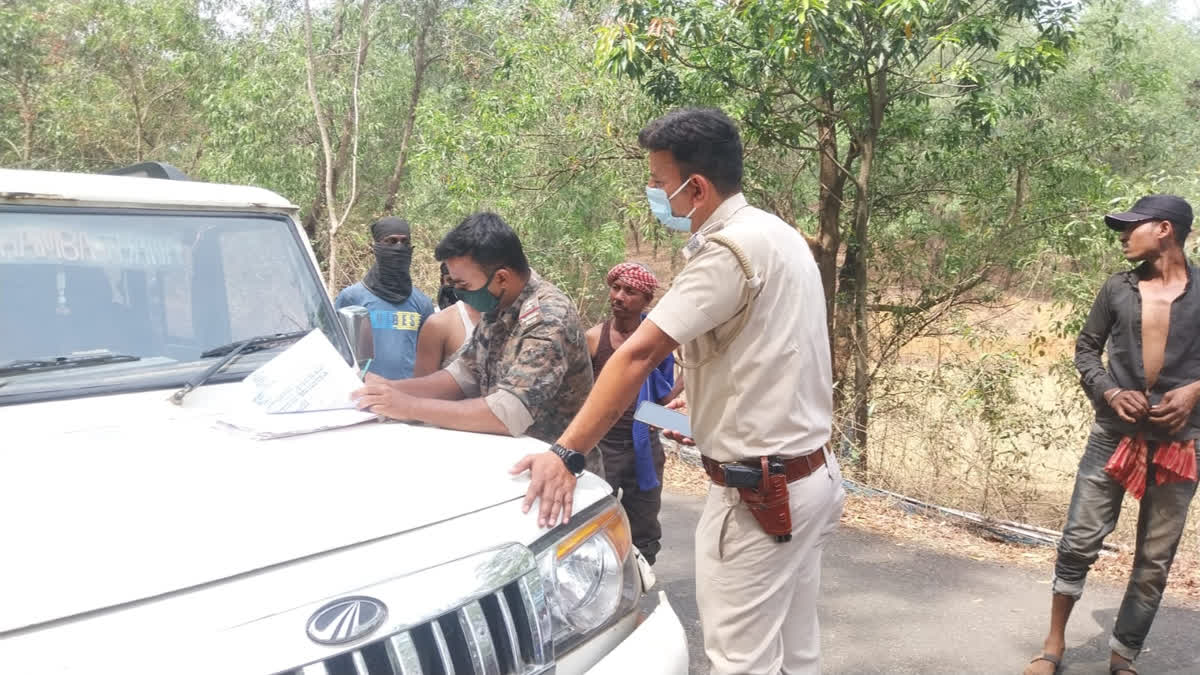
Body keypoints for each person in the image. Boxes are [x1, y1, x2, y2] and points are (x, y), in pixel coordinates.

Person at [512, 107, 845, 674]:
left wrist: (566, 453)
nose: (656, 195)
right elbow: (776, 342)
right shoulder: (780, 235)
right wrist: (715, 388)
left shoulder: (725, 251)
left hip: (760, 498)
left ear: (696, 187)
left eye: (660, 183)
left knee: (740, 662)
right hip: (811, 477)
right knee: (797, 653)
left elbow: (637, 354)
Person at [1024, 195, 1199, 675]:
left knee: (1155, 558)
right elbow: (1086, 350)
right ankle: (1053, 645)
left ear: (1164, 229)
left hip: (1180, 444)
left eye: (1131, 226)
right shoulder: (1117, 288)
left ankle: (1124, 656)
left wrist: (1193, 392)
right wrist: (1108, 391)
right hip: (1112, 435)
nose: (1122, 235)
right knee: (1079, 539)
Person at [352, 212, 598, 470]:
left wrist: (410, 406)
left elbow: (507, 413)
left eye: (464, 285)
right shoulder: (499, 306)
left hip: (559, 476)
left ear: (502, 277)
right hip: (511, 464)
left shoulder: (547, 318)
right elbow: (462, 374)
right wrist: (390, 389)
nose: (458, 293)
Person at [587, 261, 683, 566]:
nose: (619, 296)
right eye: (615, 288)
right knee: (593, 520)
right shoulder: (593, 339)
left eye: (630, 291)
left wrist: (691, 378)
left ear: (646, 301)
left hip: (645, 446)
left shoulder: (658, 342)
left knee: (644, 524)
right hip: (602, 448)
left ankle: (641, 580)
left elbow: (659, 402)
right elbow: (580, 397)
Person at [334, 216, 434, 379]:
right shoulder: (351, 298)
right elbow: (336, 348)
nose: (399, 247)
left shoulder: (422, 303)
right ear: (377, 247)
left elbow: (429, 354)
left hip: (407, 394)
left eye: (405, 242)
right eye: (391, 241)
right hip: (364, 394)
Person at [412, 263, 480, 377]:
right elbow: (424, 382)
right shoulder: (436, 322)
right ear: (442, 281)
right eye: (451, 282)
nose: (456, 288)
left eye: (460, 282)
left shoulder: (498, 318)